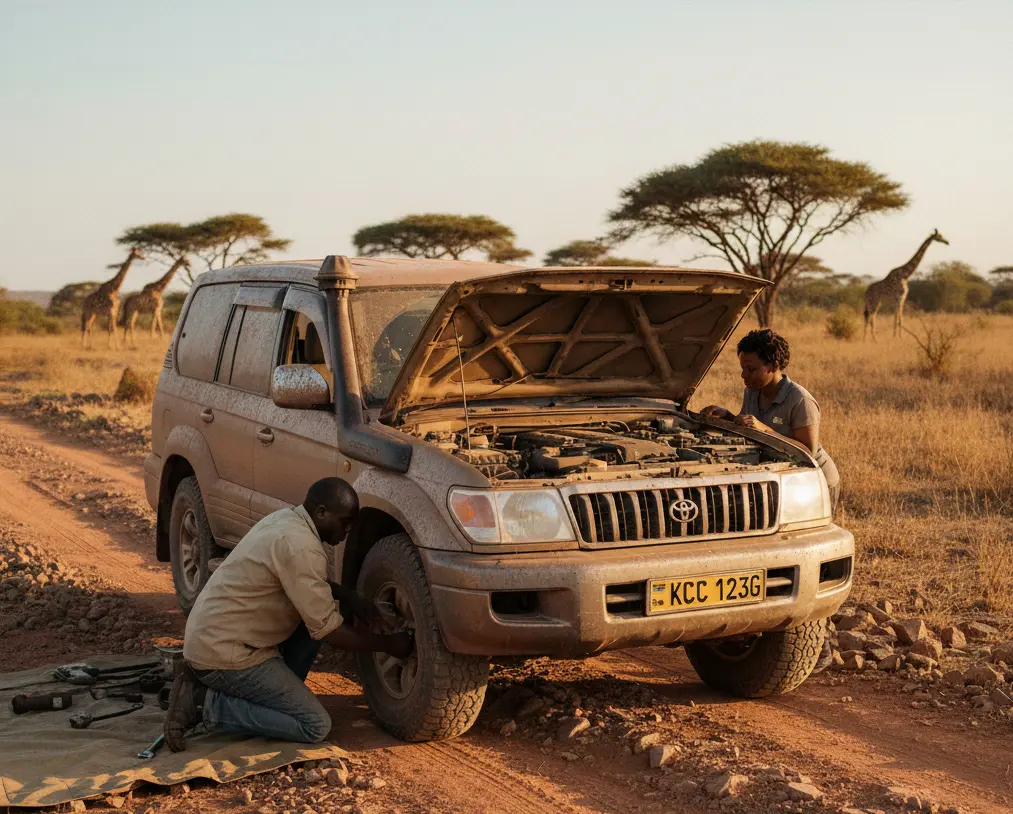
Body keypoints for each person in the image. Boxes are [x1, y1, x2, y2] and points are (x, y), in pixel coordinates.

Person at [163, 477, 413, 751]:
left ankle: (262, 693)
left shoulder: (287, 521)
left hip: (218, 636)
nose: (349, 530)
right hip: (224, 654)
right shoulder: (301, 547)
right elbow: (331, 631)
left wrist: (352, 598)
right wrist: (389, 645)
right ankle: (203, 704)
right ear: (321, 513)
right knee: (314, 725)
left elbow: (309, 584)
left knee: (316, 613)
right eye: (345, 522)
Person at [700, 328, 840, 514]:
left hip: (814, 481)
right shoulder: (752, 391)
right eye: (743, 369)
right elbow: (751, 428)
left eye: (751, 369)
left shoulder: (800, 400)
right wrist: (729, 417)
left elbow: (807, 451)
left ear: (773, 366)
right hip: (783, 480)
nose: (744, 375)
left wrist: (764, 429)